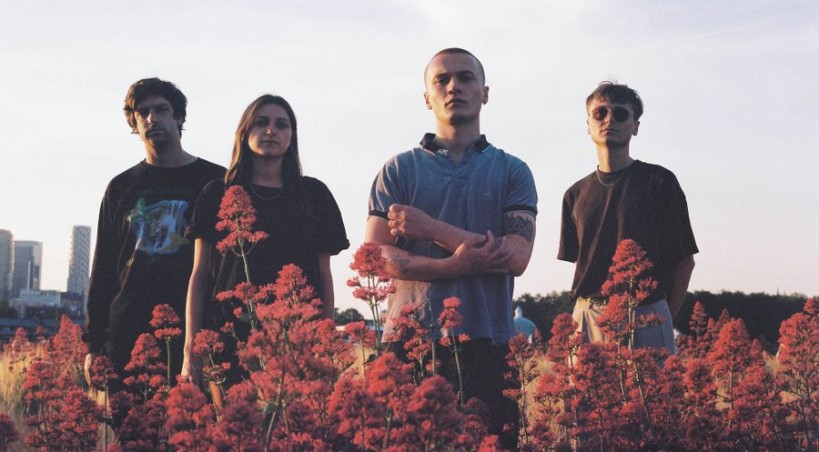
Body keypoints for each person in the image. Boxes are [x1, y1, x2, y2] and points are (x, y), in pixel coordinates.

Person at [366, 48, 537, 449]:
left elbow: (516, 256)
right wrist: (454, 266)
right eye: (441, 80)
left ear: (485, 93)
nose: (454, 86)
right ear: (427, 97)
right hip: (410, 341)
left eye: (466, 77)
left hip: (488, 343)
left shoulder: (512, 170)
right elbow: (375, 257)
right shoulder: (398, 169)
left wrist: (430, 229)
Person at [181, 94, 349, 386]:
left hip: (297, 339)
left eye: (281, 125)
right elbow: (200, 274)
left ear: (291, 137)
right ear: (244, 132)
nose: (271, 131)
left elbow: (324, 276)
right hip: (229, 337)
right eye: (261, 123)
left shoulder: (314, 195)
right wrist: (190, 351)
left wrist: (325, 342)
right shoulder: (216, 194)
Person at [83, 78, 225, 386]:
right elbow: (104, 267)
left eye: (161, 110)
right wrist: (94, 346)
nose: (152, 118)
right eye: (142, 112)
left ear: (179, 117)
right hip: (127, 333)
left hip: (197, 332)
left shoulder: (215, 181)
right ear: (133, 123)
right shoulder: (120, 186)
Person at [558, 81, 698, 353]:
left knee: (650, 385)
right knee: (583, 384)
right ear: (588, 124)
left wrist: (661, 318)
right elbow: (582, 263)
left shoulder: (660, 181)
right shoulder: (574, 194)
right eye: (600, 113)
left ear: (635, 126)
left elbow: (684, 263)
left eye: (621, 114)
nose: (609, 119)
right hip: (588, 316)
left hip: (645, 312)